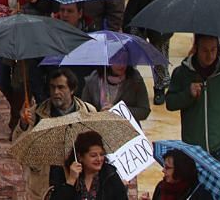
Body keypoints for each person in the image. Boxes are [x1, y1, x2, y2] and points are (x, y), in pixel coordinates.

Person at [16, 69, 98, 200]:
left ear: (72, 90)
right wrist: (24, 124)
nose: (55, 92)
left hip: (77, 183)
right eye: (52, 87)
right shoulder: (36, 114)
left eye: (61, 87)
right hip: (45, 185)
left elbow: (98, 146)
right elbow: (19, 147)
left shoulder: (88, 112)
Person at [166, 34, 220, 168]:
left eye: (213, 50)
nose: (210, 55)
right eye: (205, 50)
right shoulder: (181, 73)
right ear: (196, 48)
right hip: (193, 146)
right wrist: (187, 94)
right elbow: (170, 103)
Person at [48, 130, 127, 200]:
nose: (99, 159)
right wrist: (71, 181)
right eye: (93, 155)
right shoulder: (66, 173)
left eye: (101, 154)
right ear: (80, 157)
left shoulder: (110, 175)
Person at [81, 61, 151, 120]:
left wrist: (118, 111)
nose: (122, 65)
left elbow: (144, 111)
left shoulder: (135, 79)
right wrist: (99, 114)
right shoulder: (93, 80)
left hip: (127, 129)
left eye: (124, 60)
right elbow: (83, 110)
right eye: (117, 61)